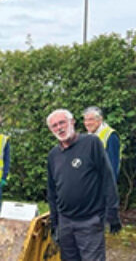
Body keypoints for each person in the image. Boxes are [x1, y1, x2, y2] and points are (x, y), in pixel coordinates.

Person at [46, 109, 122, 260]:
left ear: (72, 122)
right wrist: (55, 223)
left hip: (90, 221)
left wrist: (112, 213)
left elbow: (107, 178)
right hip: (65, 222)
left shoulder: (91, 143)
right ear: (51, 130)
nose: (59, 128)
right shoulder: (53, 155)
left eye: (62, 122)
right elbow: (52, 190)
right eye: (54, 126)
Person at [83, 106, 121, 181]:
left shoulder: (111, 135)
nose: (87, 123)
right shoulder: (87, 136)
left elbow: (113, 166)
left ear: (100, 120)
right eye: (85, 120)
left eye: (90, 120)